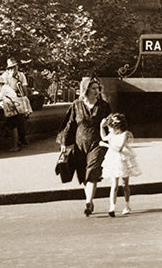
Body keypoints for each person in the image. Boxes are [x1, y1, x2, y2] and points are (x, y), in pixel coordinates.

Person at [57, 77, 112, 217]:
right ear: (85, 90)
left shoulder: (104, 106)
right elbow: (69, 125)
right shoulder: (76, 105)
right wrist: (64, 143)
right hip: (79, 145)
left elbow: (112, 123)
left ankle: (88, 201)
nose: (96, 91)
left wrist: (115, 135)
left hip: (98, 143)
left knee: (92, 171)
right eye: (93, 88)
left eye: (97, 88)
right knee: (83, 173)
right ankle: (90, 200)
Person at [99, 112, 141, 217]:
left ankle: (127, 205)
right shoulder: (112, 134)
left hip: (123, 159)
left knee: (125, 184)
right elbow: (104, 137)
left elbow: (119, 148)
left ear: (117, 127)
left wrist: (105, 145)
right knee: (114, 184)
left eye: (110, 128)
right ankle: (112, 207)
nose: (109, 130)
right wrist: (101, 126)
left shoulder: (124, 134)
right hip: (113, 160)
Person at [0, 77, 29, 151]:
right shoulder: (8, 87)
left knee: (13, 127)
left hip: (11, 110)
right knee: (13, 126)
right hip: (15, 109)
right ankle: (17, 143)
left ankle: (15, 146)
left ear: (0, 83)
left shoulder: (4, 88)